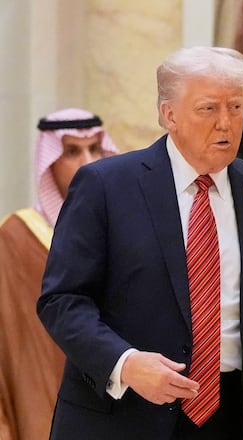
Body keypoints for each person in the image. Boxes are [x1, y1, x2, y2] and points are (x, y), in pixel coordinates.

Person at [37, 47, 243, 440]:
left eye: (236, 108)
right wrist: (126, 363)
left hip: (237, 417)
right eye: (208, 109)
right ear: (169, 115)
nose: (226, 124)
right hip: (124, 415)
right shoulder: (106, 186)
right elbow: (62, 299)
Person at [0, 108, 118, 440]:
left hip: (122, 397)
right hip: (40, 396)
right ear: (48, 162)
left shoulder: (126, 232)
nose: (87, 161)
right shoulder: (17, 237)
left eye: (95, 148)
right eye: (71, 151)